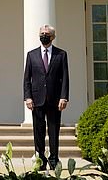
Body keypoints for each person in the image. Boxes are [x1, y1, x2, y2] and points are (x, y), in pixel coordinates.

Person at [23, 24, 69, 170]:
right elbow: (27, 78)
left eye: (47, 34)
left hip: (55, 99)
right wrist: (28, 97)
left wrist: (64, 97)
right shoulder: (31, 55)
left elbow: (65, 77)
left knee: (54, 130)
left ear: (53, 37)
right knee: (38, 131)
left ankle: (54, 159)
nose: (44, 36)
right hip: (37, 99)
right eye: (42, 33)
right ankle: (40, 159)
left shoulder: (61, 54)